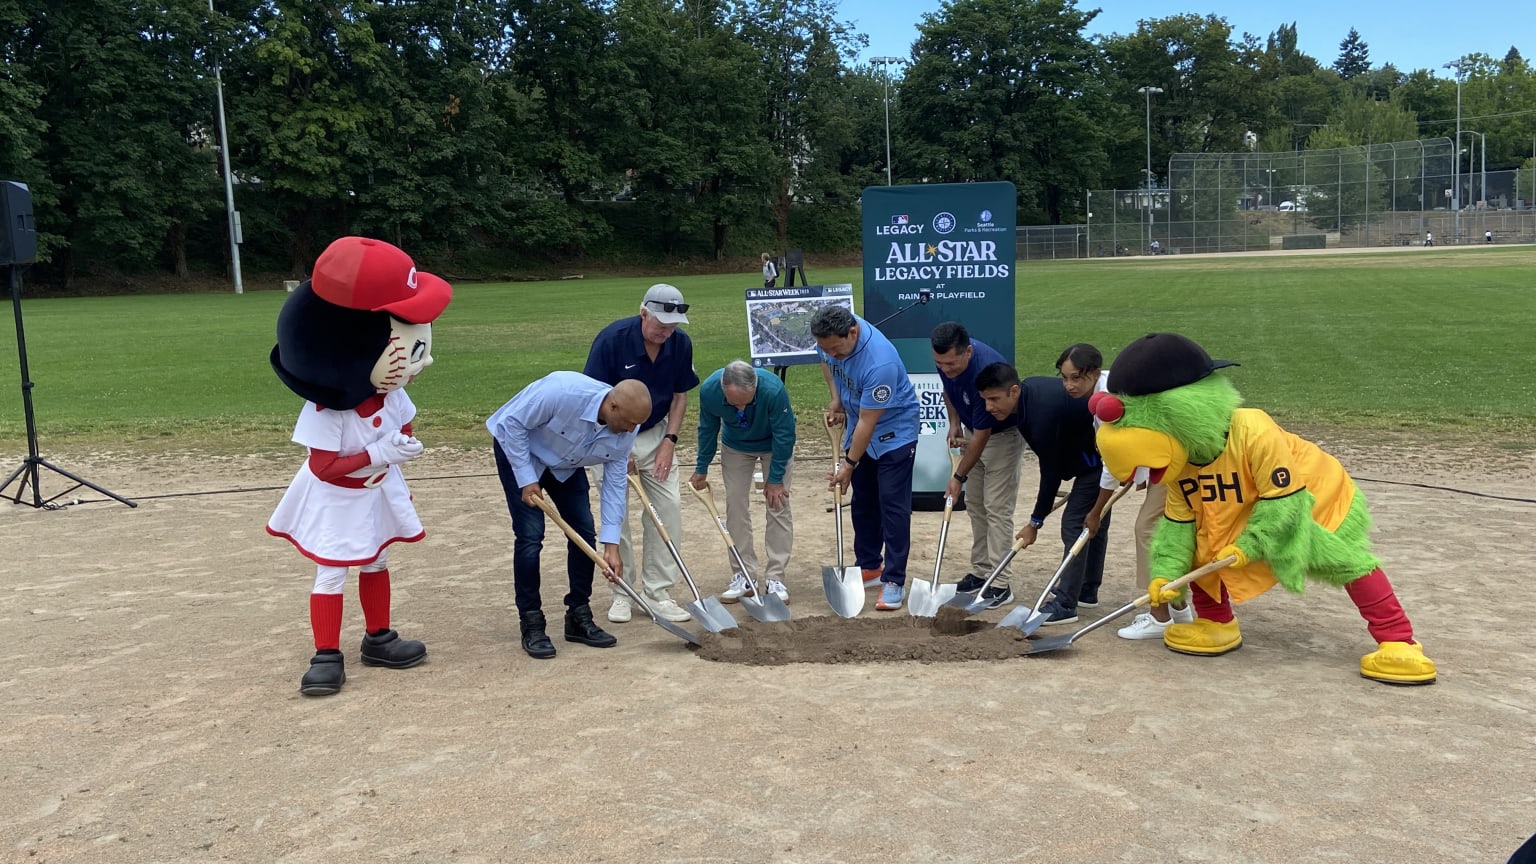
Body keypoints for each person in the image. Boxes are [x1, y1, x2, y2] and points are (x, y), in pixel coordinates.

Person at [1092, 332, 1435, 684]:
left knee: (1338, 557)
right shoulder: (1181, 462)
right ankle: (1216, 622)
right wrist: (1165, 575)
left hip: (1311, 496)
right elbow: (1178, 525)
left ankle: (1399, 640)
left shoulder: (1253, 429)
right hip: (1240, 505)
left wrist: (1250, 545)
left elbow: (1282, 501)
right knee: (1199, 546)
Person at [266, 236, 453, 696]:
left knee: (377, 559)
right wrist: (380, 454)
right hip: (337, 499)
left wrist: (402, 447)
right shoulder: (326, 412)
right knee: (332, 570)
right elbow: (324, 467)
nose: (422, 361)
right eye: (408, 351)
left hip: (378, 489)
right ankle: (326, 654)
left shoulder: (392, 393)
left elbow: (403, 423)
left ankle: (379, 637)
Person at [486, 373, 652, 659]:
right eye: (628, 423)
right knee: (530, 537)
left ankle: (578, 614)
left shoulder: (628, 424)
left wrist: (611, 545)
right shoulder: (561, 392)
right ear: (612, 407)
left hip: (566, 464)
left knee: (584, 533)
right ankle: (531, 621)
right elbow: (510, 424)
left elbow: (615, 482)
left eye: (636, 425)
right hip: (521, 452)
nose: (631, 431)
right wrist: (526, 479)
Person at [1055, 343, 1193, 638]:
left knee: (1147, 530)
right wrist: (1142, 470)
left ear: (1093, 373)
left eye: (1076, 377)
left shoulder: (1110, 402)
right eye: (1064, 377)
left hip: (1179, 457)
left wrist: (1094, 513)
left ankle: (1160, 616)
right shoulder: (1109, 384)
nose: (1069, 385)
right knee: (1167, 532)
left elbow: (1110, 464)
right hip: (1167, 455)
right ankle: (1179, 609)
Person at [585, 284, 701, 624]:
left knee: (668, 509)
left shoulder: (679, 343)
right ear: (643, 313)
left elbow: (680, 396)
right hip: (610, 436)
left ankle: (658, 592)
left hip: (656, 434)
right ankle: (622, 591)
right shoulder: (611, 340)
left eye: (673, 324)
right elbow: (593, 401)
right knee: (615, 517)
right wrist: (617, 450)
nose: (666, 331)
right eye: (660, 323)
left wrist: (670, 441)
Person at [974, 361, 1107, 626]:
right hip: (1088, 455)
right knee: (1093, 523)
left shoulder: (1040, 413)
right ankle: (1087, 590)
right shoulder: (1027, 395)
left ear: (1013, 391)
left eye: (993, 399)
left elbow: (1051, 474)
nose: (989, 407)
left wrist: (1035, 522)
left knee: (1077, 524)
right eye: (985, 400)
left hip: (1098, 461)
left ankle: (1067, 603)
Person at [812, 305, 920, 611]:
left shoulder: (879, 363)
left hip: (893, 432)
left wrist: (848, 464)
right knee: (863, 503)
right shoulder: (830, 340)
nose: (830, 354)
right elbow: (826, 362)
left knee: (893, 506)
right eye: (825, 348)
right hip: (859, 423)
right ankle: (870, 566)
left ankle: (894, 580)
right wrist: (836, 399)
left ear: (853, 333)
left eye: (836, 348)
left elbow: (869, 423)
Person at [930, 322, 1023, 609]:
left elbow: (983, 436)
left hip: (1001, 436)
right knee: (976, 505)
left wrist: (958, 476)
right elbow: (948, 389)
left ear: (968, 352)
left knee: (997, 508)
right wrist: (954, 422)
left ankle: (1000, 583)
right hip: (974, 431)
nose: (945, 369)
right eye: (940, 363)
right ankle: (982, 571)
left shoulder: (986, 370)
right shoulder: (946, 361)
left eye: (951, 363)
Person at [689, 360, 796, 604]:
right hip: (736, 447)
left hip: (774, 445)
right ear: (723, 387)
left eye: (745, 402)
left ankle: (775, 577)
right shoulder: (709, 391)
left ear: (755, 387)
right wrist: (701, 467)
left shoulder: (773, 390)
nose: (739, 408)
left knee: (778, 505)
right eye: (733, 402)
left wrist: (776, 479)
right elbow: (707, 428)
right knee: (735, 506)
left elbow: (785, 434)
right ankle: (743, 575)